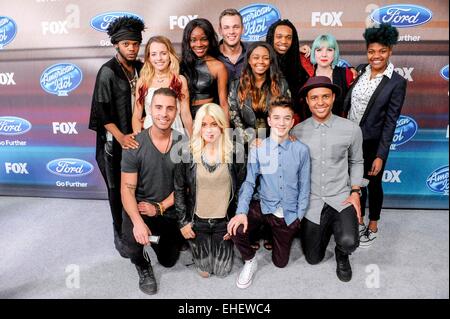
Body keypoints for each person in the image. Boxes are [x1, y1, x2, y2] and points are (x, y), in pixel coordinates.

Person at [227, 96, 310, 289]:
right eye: (277, 118)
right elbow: (249, 182)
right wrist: (240, 212)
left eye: (287, 118)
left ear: (292, 121)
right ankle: (250, 260)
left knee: (280, 263)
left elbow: (305, 186)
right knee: (236, 229)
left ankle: (274, 235)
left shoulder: (301, 150)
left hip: (286, 213)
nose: (282, 123)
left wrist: (298, 216)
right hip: (264, 204)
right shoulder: (258, 148)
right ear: (270, 120)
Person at [292, 76, 364, 282]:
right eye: (314, 98)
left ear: (333, 97)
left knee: (349, 241)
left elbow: (357, 162)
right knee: (313, 258)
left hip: (341, 197)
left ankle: (342, 253)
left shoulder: (351, 129)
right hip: (313, 200)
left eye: (325, 96)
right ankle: (326, 230)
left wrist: (355, 192)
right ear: (307, 101)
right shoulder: (296, 131)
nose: (320, 102)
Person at [344, 23, 407, 247]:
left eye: (382, 51)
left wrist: (381, 154)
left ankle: (373, 224)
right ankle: (357, 220)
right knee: (355, 184)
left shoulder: (397, 82)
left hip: (372, 144)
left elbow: (391, 122)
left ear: (390, 51)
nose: (376, 56)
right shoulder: (360, 70)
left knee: (373, 184)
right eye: (372, 51)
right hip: (350, 141)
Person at [88, 16, 145, 257]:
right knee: (116, 190)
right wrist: (121, 137)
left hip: (137, 141)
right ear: (115, 45)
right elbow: (101, 113)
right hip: (113, 143)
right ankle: (120, 233)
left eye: (135, 44)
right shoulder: (107, 72)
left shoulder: (142, 67)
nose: (131, 49)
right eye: (126, 44)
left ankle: (139, 227)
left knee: (137, 186)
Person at [120, 88, 184, 295]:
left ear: (176, 112)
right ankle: (142, 263)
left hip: (167, 208)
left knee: (168, 260)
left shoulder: (183, 143)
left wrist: (160, 207)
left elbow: (186, 187)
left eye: (169, 108)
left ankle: (163, 239)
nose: (164, 114)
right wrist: (138, 222)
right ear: (149, 109)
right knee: (130, 244)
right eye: (158, 107)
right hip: (140, 208)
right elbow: (127, 190)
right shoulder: (134, 144)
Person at [228, 41, 290, 251]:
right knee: (248, 184)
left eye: (265, 57)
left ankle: (273, 230)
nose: (260, 62)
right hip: (246, 144)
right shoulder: (237, 84)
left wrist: (273, 139)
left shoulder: (280, 83)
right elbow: (234, 114)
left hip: (276, 140)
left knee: (273, 186)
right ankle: (251, 230)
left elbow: (285, 112)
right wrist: (249, 137)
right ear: (249, 60)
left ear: (270, 60)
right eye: (256, 57)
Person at [174, 103, 245, 278]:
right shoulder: (186, 152)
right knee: (205, 272)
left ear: (222, 125)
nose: (209, 130)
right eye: (204, 125)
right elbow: (179, 189)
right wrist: (183, 222)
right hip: (198, 222)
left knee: (222, 272)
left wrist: (235, 220)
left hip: (224, 222)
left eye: (214, 124)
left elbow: (243, 189)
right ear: (198, 127)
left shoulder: (236, 151)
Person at [132, 36, 193, 136]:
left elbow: (185, 114)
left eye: (163, 53)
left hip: (175, 130)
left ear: (170, 55)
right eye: (154, 54)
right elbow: (137, 116)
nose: (159, 58)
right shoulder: (143, 82)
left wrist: (192, 139)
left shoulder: (179, 80)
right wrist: (139, 139)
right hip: (150, 132)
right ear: (148, 57)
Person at [180, 18, 228, 120]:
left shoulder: (218, 67)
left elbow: (223, 104)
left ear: (210, 40)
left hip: (209, 120)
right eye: (193, 40)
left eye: (203, 39)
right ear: (187, 42)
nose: (199, 44)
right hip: (184, 120)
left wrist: (226, 133)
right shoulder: (180, 65)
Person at [266, 19, 310, 120]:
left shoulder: (300, 62)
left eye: (288, 37)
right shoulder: (262, 61)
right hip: (266, 123)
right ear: (271, 37)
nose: (284, 41)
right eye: (279, 36)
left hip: (294, 122)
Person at [304, 34, 355, 117]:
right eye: (319, 50)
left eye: (329, 50)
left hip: (339, 126)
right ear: (314, 52)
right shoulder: (306, 75)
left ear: (335, 53)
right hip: (310, 126)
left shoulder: (346, 74)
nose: (324, 54)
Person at [217, 8, 248, 88]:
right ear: (220, 31)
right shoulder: (212, 55)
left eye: (236, 27)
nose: (231, 32)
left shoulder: (253, 53)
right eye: (226, 27)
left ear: (243, 29)